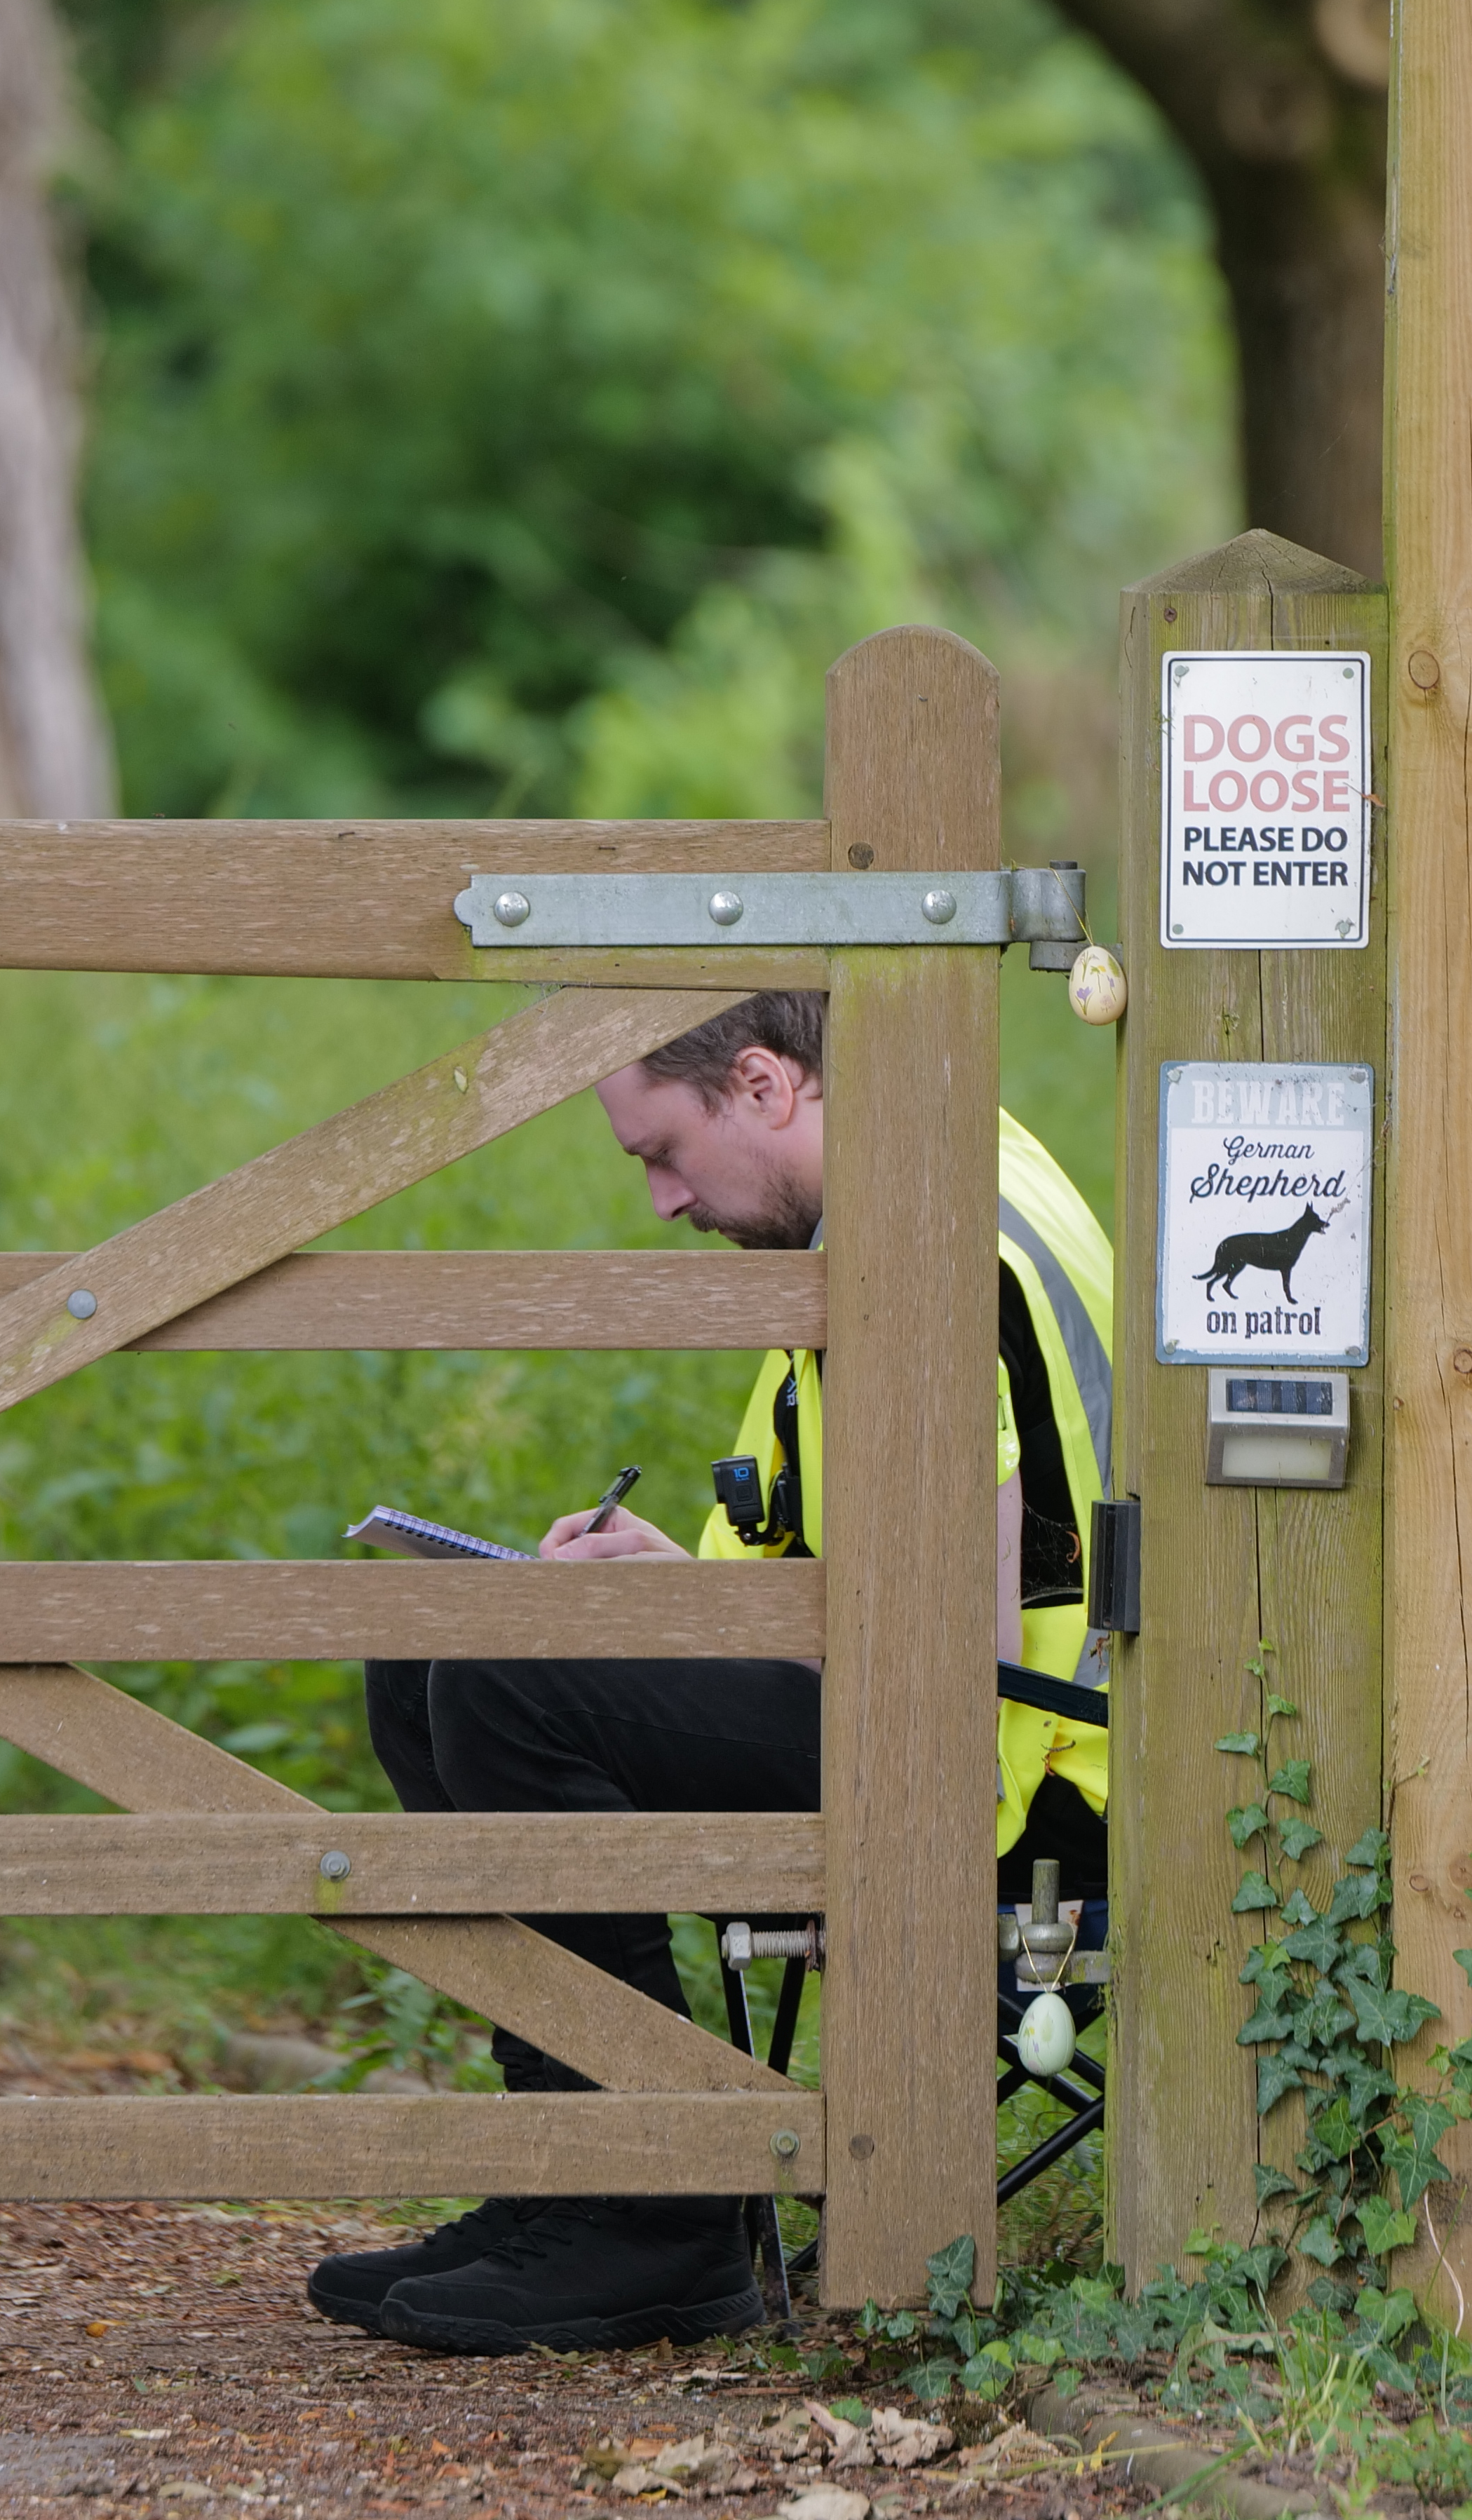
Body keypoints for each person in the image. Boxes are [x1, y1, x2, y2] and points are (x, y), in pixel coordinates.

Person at [306, 988, 1116, 2355]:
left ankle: (658, 2215)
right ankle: (571, 2179)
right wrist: (671, 1584)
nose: (662, 1201)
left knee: (504, 1681)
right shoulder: (922, 1171)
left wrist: (668, 1621)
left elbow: (935, 1657)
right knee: (431, 1640)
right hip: (948, 1726)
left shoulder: (921, 1245)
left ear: (762, 1081)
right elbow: (852, 1562)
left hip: (1016, 1805)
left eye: (660, 1151)